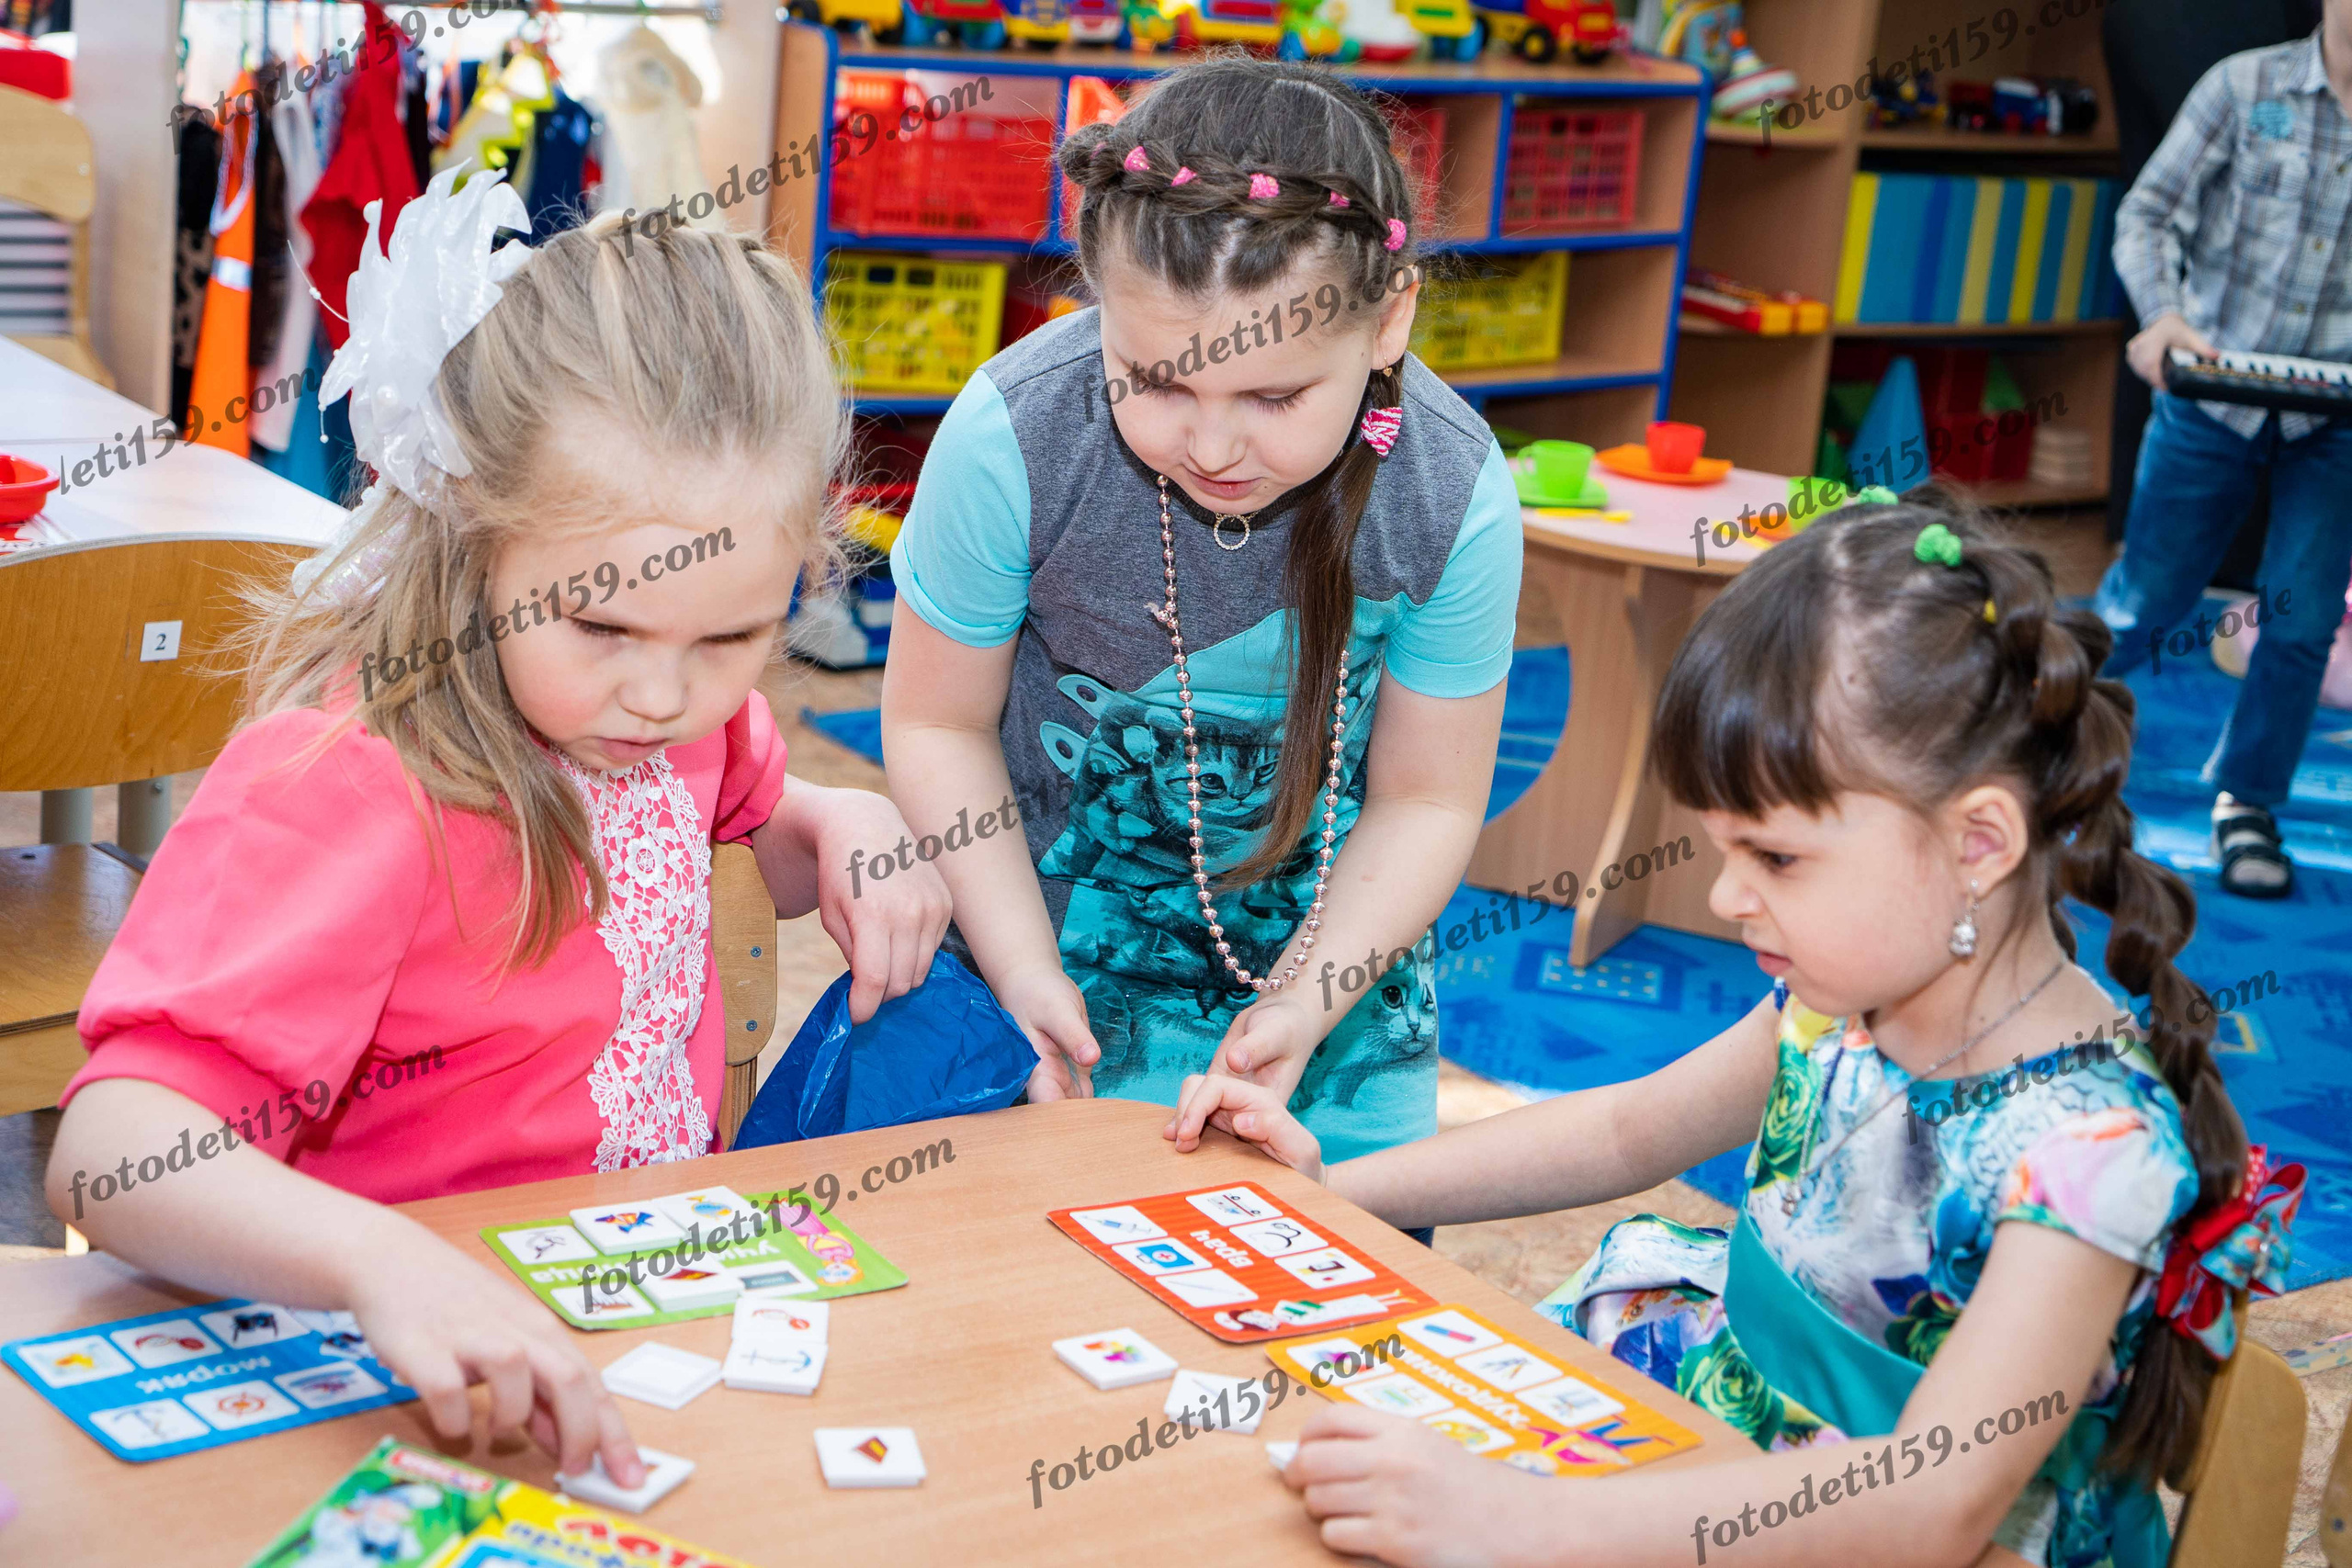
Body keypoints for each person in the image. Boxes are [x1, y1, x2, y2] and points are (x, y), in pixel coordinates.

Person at [1170, 504, 2301, 1568]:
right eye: (1722, 850)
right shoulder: (1839, 1003)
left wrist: (1525, 1519)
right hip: (1723, 1439)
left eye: (1776, 858)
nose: (1722, 899)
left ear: (1978, 845)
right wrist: (1333, 1194)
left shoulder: (2091, 1153)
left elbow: (1932, 1504)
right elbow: (1624, 1131)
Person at [43, 169, 949, 1488]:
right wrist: (380, 1261)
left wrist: (843, 813)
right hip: (387, 1387)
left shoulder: (674, 721)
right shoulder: (347, 786)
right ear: (474, 533)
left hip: (632, 1340)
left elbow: (760, 829)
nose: (663, 694)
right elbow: (113, 1155)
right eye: (601, 623)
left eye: (734, 637)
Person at [880, 58, 1521, 1170]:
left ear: (1388, 322)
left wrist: (1307, 1001)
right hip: (1037, 963)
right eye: (1157, 381)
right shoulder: (1013, 436)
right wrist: (1022, 967)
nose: (1214, 448)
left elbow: (1425, 797)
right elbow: (939, 723)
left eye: (1274, 397)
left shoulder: (1449, 492)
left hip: (1332, 995)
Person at [2098, 0, 2352, 897]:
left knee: (2300, 623)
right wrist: (2162, 316)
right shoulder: (2242, 89)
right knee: (2144, 604)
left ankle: (2248, 801)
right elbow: (2148, 215)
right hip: (2210, 401)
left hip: (2336, 420)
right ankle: (2028, 745)